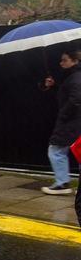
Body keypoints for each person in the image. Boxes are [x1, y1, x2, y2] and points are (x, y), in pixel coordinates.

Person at [39, 49, 81, 195]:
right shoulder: (73, 75)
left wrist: (64, 114)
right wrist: (54, 86)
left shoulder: (75, 77)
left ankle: (62, 184)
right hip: (74, 120)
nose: (61, 63)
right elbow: (69, 94)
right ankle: (62, 182)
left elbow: (76, 98)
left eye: (65, 60)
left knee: (56, 150)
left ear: (74, 61)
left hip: (71, 121)